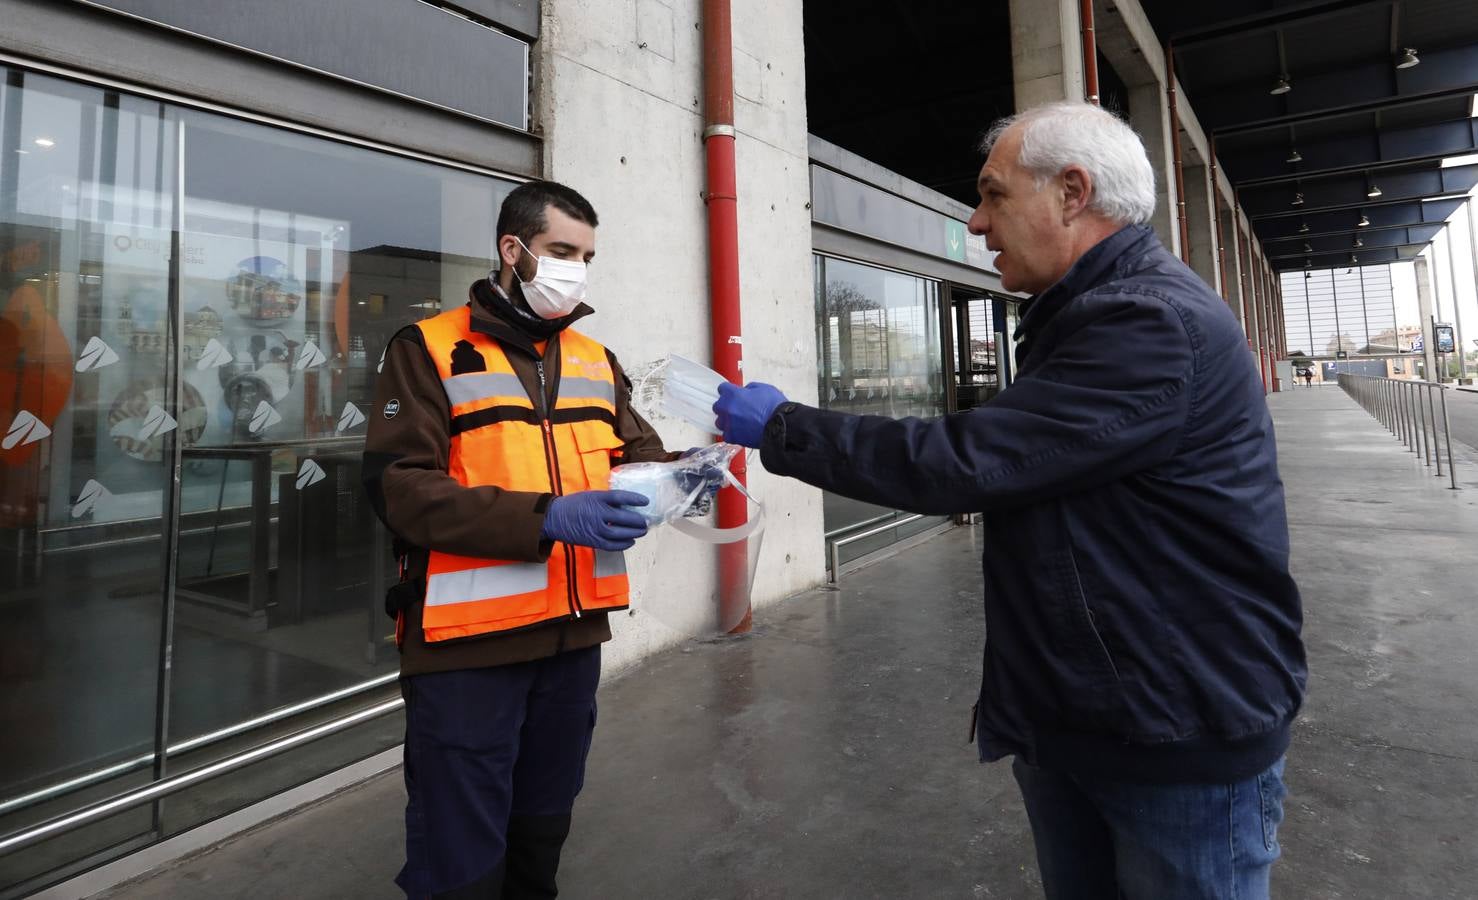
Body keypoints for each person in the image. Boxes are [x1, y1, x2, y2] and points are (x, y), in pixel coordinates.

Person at [713, 102, 1306, 900]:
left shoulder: (1147, 322)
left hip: (1173, 739)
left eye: (993, 196)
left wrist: (783, 427)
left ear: (1071, 192)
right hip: (1095, 720)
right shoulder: (1088, 315)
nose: (977, 222)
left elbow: (967, 461)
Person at [363, 180, 680, 898]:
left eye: (588, 255)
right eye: (562, 250)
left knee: (542, 834)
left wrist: (684, 478)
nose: (578, 268)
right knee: (461, 855)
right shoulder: (428, 348)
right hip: (467, 649)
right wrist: (547, 517)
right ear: (513, 250)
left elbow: (640, 456)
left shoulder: (596, 360)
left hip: (572, 644)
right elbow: (398, 489)